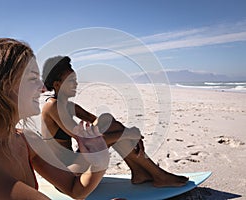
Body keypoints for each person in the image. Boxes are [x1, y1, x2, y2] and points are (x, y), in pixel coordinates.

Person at [0, 38, 109, 200]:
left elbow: (75, 189)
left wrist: (99, 164)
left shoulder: (27, 140)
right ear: (1, 85)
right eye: (32, 78)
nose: (43, 88)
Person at [41, 56, 189, 187]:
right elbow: (86, 141)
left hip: (76, 163)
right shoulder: (52, 106)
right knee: (118, 131)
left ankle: (141, 173)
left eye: (76, 80)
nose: (76, 84)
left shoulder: (68, 105)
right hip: (66, 173)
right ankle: (155, 175)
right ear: (57, 84)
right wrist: (128, 134)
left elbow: (105, 122)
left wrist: (126, 133)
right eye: (71, 81)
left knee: (107, 119)